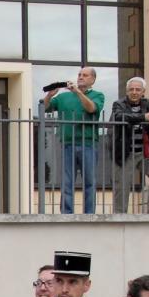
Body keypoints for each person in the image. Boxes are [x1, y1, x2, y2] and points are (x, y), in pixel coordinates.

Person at [44, 67, 105, 215]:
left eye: (85, 75)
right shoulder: (64, 97)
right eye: (79, 75)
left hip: (88, 144)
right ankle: (66, 213)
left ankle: (89, 213)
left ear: (93, 79)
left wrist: (77, 92)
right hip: (67, 143)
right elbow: (46, 108)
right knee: (66, 182)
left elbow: (91, 109)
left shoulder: (98, 95)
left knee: (89, 182)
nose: (80, 77)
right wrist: (49, 95)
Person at [110, 77, 149, 214]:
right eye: (131, 89)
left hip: (144, 152)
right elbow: (119, 116)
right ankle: (120, 215)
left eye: (138, 90)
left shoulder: (147, 103)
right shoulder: (119, 103)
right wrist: (143, 118)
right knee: (122, 185)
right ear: (127, 91)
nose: (134, 92)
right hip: (125, 153)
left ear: (143, 92)